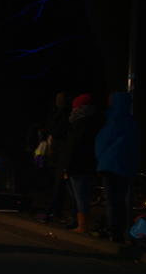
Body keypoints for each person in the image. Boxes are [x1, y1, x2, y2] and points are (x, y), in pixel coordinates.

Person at [95, 92, 140, 243]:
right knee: (121, 200)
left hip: (110, 166)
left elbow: (103, 141)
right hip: (125, 167)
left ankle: (114, 231)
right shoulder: (131, 122)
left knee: (112, 200)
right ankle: (120, 231)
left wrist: (101, 159)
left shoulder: (113, 120)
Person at [61, 93, 101, 233]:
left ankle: (82, 225)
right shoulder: (94, 124)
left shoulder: (78, 125)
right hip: (87, 165)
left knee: (79, 196)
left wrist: (67, 166)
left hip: (77, 166)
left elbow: (73, 147)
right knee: (82, 195)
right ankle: (81, 223)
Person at [40, 91, 74, 223]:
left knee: (58, 184)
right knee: (55, 184)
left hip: (60, 154)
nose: (58, 101)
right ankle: (53, 210)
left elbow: (57, 130)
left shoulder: (64, 115)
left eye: (60, 99)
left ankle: (54, 211)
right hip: (55, 154)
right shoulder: (58, 114)